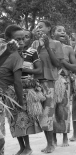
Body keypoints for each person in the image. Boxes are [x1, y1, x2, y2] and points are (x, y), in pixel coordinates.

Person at [33, 20, 64, 153]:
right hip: (36, 83)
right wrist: (39, 46)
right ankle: (49, 143)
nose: (38, 29)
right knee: (41, 115)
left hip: (49, 82)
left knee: (48, 114)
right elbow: (31, 60)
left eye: (41, 27)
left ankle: (51, 144)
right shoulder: (35, 44)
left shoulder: (57, 44)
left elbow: (57, 63)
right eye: (37, 27)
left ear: (49, 28)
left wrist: (47, 46)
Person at [0, 25, 24, 155]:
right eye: (18, 39)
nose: (21, 42)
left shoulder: (12, 53)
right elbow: (17, 82)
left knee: (1, 139)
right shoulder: (16, 56)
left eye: (23, 38)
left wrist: (7, 53)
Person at [52, 25, 76, 147]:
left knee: (64, 109)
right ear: (53, 33)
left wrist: (63, 62)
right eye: (59, 30)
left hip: (64, 81)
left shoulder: (68, 48)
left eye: (64, 31)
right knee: (52, 109)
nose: (62, 32)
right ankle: (53, 138)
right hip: (51, 81)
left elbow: (75, 67)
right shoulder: (48, 47)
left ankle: (65, 137)